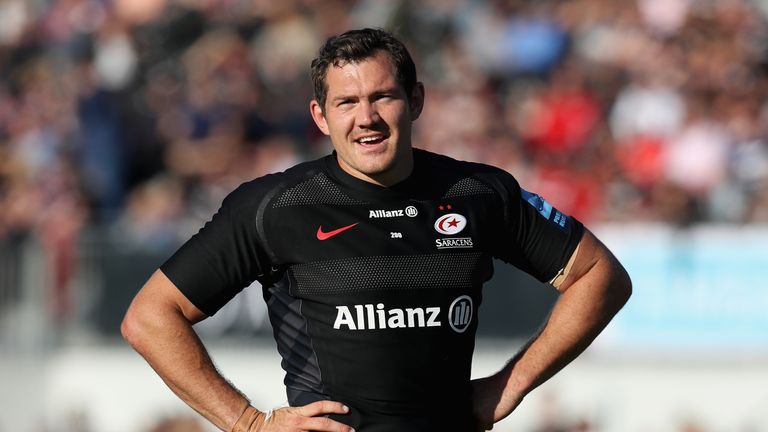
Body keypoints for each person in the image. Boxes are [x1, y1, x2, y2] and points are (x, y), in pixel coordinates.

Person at [121, 28, 632, 432]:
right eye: (347, 103)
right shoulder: (275, 206)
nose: (366, 118)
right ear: (320, 117)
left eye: (383, 97)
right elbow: (150, 317)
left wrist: (511, 382)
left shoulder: (480, 192)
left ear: (416, 100)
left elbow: (599, 276)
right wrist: (247, 423)